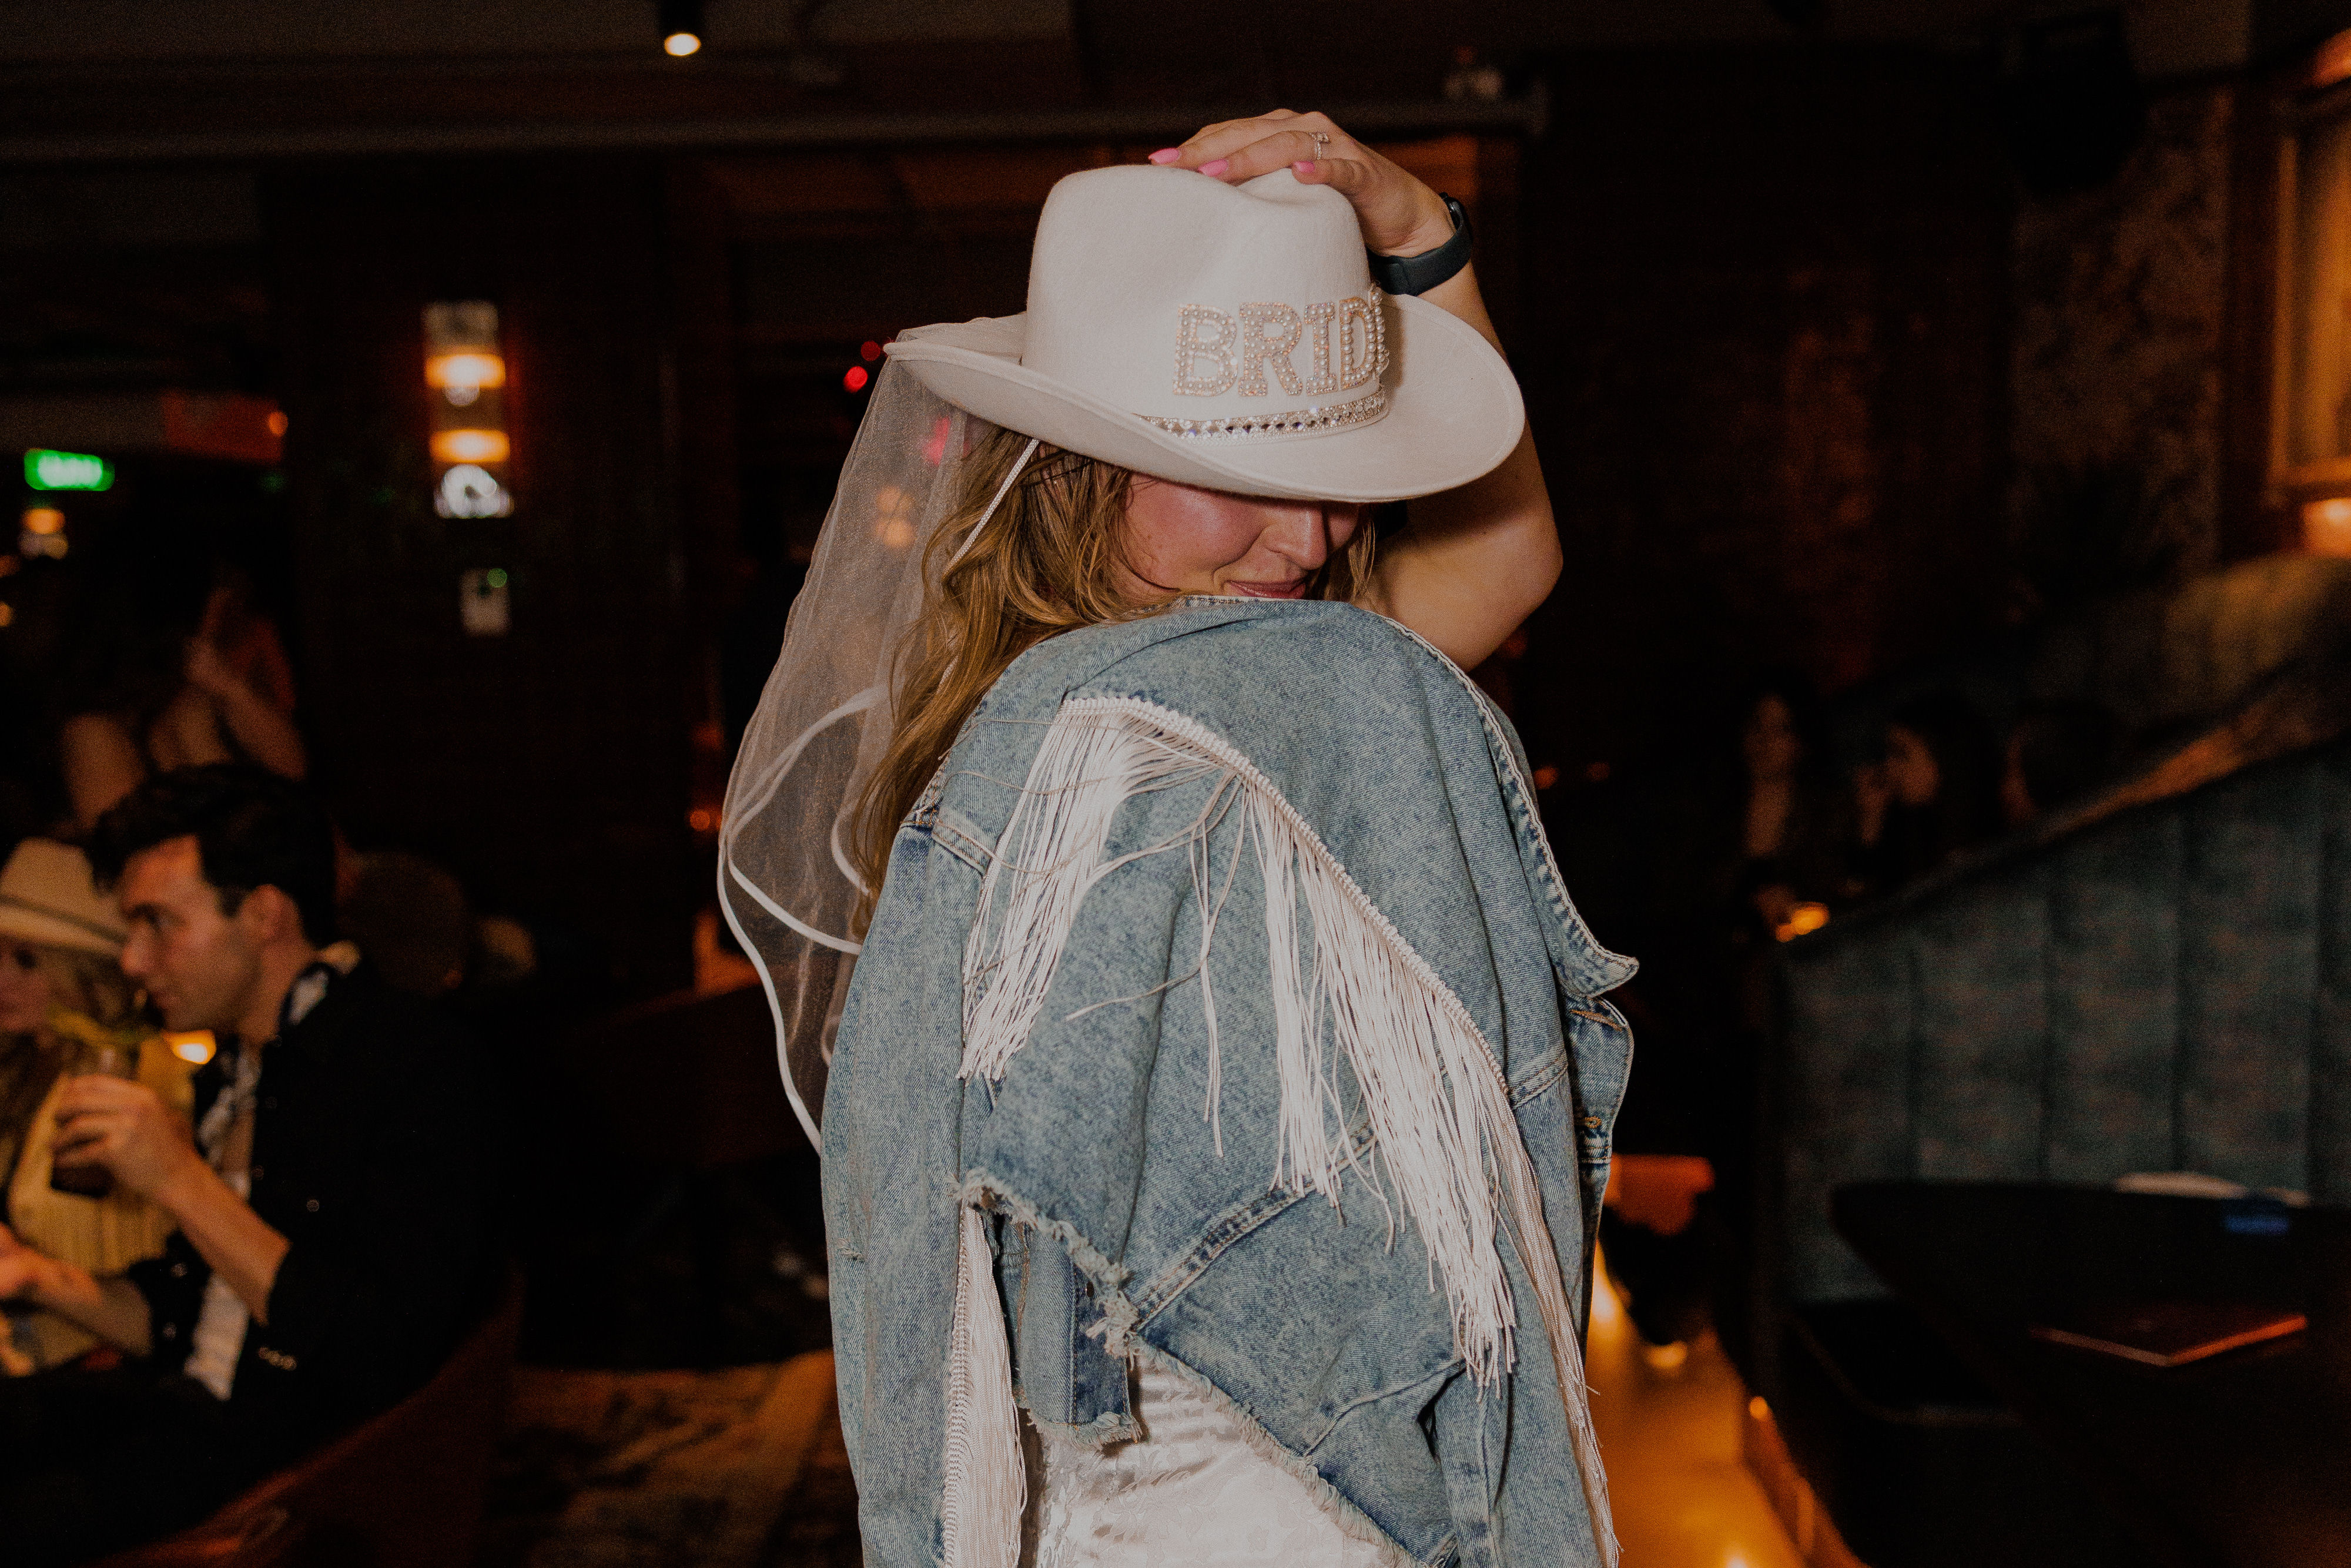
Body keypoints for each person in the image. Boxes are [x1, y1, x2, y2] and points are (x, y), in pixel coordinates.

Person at [721, 113, 1630, 1567]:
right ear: (1082, 469)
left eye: (1337, 478)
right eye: (1248, 478)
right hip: (1142, 1497)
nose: (1313, 540)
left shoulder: (1307, 693)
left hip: (1321, 1478)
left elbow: (1513, 549)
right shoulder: (1038, 743)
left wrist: (1409, 223)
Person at [0, 765, 498, 1564]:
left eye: (158, 923)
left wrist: (178, 1181)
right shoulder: (235, 1067)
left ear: (263, 914)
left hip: (288, 1470)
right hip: (180, 1408)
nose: (132, 961)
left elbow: (378, 1350)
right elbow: (186, 1315)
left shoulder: (412, 1059)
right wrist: (30, 1275)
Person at [0, 838, 193, 1375]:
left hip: (93, 1363)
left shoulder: (138, 1075)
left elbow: (136, 1261)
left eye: (26, 960)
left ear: (87, 970)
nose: (2, 981)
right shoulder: (24, 1063)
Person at [59, 573, 309, 832]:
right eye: (212, 603)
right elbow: (132, 848)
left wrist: (231, 687)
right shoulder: (95, 732)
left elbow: (293, 771)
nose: (222, 619)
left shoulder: (205, 693)